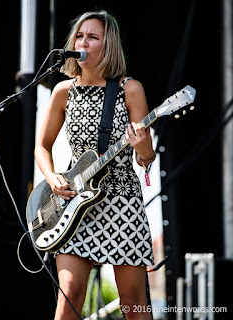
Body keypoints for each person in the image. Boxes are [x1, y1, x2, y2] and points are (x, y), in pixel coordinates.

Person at [35, 10, 156, 320]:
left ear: (108, 45)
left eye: (92, 36)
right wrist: (51, 178)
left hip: (122, 200)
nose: (83, 41)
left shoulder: (130, 89)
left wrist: (144, 148)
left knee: (133, 302)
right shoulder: (64, 91)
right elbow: (42, 146)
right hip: (74, 202)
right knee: (70, 295)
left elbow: (146, 157)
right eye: (79, 35)